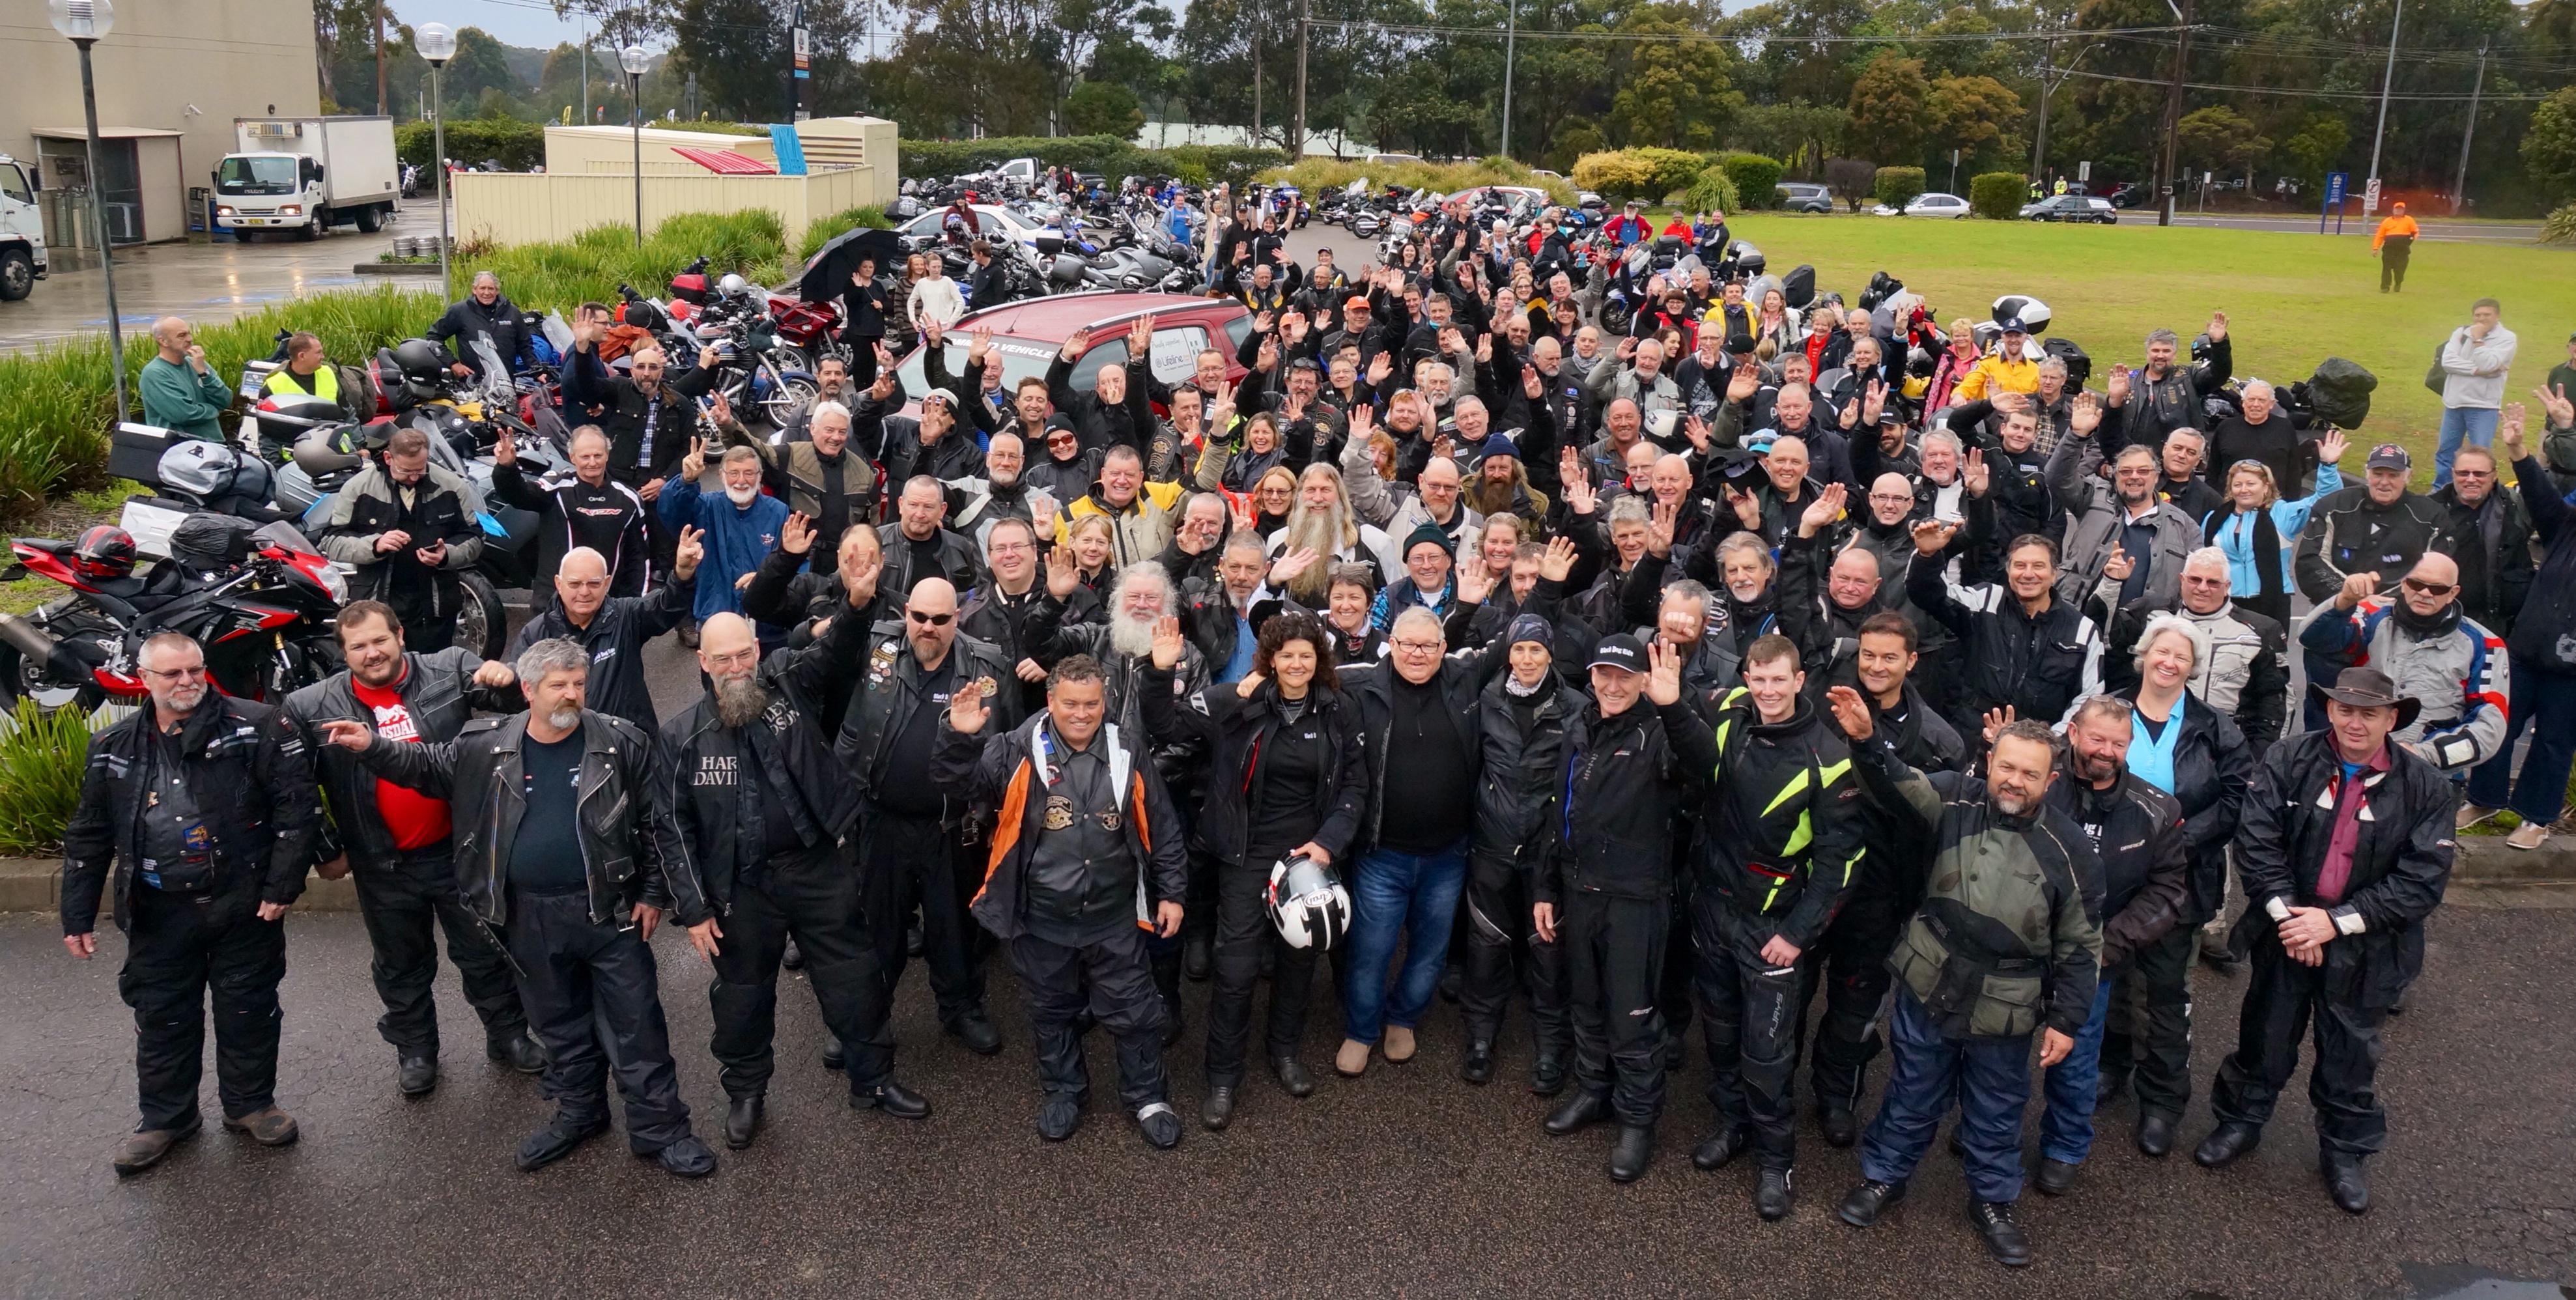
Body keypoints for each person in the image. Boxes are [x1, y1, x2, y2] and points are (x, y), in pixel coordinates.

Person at [319, 638, 720, 1179]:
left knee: (636, 1024)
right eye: (559, 684)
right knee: (559, 1023)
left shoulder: (622, 742)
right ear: (528, 690)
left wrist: (652, 894)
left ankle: (661, 1130)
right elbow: (421, 766)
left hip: (609, 912)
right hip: (525, 914)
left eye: (579, 683)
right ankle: (580, 1113)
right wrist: (370, 744)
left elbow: (656, 824)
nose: (572, 694)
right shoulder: (482, 747)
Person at [1829, 707, 2101, 1268]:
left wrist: (2067, 1020)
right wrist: (1866, 741)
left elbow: (2081, 944)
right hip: (1930, 976)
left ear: (2051, 780)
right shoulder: (1952, 797)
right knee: (1910, 1089)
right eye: (2006, 767)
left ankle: (1993, 1201)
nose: (2013, 781)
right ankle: (1884, 1177)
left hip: (2007, 1001)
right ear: (1989, 761)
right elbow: (1895, 782)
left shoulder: (2071, 848)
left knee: (1997, 1107)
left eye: (2029, 774)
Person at [664, 606, 929, 1150]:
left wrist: (857, 604)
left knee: (855, 977)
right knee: (742, 999)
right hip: (739, 888)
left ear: (757, 651)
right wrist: (694, 909)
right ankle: (746, 1094)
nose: (735, 667)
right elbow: (671, 827)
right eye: (722, 659)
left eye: (743, 654)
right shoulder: (682, 738)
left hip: (815, 867)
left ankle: (872, 1080)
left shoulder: (792, 691)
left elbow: (837, 653)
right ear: (703, 662)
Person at [2194, 667, 2457, 1216]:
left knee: (2349, 1054)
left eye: (2368, 713)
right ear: (2329, 710)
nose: (2354, 722)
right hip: (2284, 929)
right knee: (2263, 1036)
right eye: (2344, 710)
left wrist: (2334, 924)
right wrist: (2293, 918)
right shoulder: (2288, 759)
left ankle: (2343, 1152)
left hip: (2368, 947)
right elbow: (2256, 838)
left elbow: (2420, 881)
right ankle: (2240, 1123)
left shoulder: (2426, 786)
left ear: (2391, 718)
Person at [61, 632, 317, 1176]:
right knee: (161, 1018)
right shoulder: (112, 747)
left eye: (195, 671)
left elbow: (297, 811)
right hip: (157, 910)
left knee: (249, 1008)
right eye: (173, 674)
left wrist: (281, 888)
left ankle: (251, 1105)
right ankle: (166, 1118)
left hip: (243, 904)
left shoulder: (259, 726)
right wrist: (76, 912)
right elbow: (89, 833)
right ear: (144, 679)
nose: (187, 682)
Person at [286, 602, 545, 1097]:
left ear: (400, 634)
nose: (371, 653)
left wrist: (506, 679)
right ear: (343, 654)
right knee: (401, 965)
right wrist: (325, 849)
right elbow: (292, 790)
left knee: (485, 953)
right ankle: (417, 1051)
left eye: (379, 640)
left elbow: (518, 708)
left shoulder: (448, 668)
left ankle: (508, 1035)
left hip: (458, 852)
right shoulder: (310, 707)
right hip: (381, 862)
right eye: (357, 646)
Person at [936, 649, 1191, 1148]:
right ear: (1051, 700)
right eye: (1071, 703)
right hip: (1041, 916)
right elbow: (955, 786)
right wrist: (958, 737)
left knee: (1136, 1011)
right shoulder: (1014, 749)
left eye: (1091, 704)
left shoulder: (1127, 749)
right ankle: (1063, 1090)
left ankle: (1146, 1096)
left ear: (1105, 702)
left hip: (1114, 915)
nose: (1081, 714)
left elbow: (1163, 825)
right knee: (1051, 1010)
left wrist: (1174, 893)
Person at [1146, 612, 1368, 1127]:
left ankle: (1285, 1052)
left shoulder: (1339, 711)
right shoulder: (1234, 705)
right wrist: (1159, 672)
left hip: (1306, 856)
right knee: (1236, 967)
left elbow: (1356, 786)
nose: (1296, 664)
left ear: (1319, 662)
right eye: (1286, 655)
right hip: (1244, 856)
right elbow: (1165, 725)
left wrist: (1326, 843)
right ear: (1269, 661)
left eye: (1305, 655)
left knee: (1298, 961)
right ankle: (1222, 1077)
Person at [1687, 634, 1863, 1221]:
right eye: (1756, 680)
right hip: (1713, 909)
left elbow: (1842, 864)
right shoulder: (1729, 714)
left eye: (1777, 681)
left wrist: (1797, 935)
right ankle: (1732, 1125)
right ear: (1747, 679)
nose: (1766, 691)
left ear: (1797, 681)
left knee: (1766, 1052)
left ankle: (1774, 1160)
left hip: (1773, 928)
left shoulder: (1829, 757)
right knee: (1718, 1033)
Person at [1535, 638, 1722, 1184]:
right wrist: (1546, 887)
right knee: (1585, 1003)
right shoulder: (1580, 725)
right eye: (1602, 674)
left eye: (1624, 676)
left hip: (1636, 897)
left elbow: (1705, 768)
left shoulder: (1659, 733)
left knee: (1632, 1014)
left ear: (1644, 680)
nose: (1612, 686)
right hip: (1578, 889)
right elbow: (1560, 812)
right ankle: (1595, 1091)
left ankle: (1638, 1120)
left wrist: (1672, 706)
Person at [833, 576, 1023, 1058]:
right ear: (907, 614)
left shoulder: (987, 664)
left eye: (940, 619)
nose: (928, 628)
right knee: (878, 929)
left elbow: (1008, 745)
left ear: (956, 619)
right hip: (881, 821)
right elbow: (820, 667)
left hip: (954, 828)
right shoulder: (873, 647)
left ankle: (960, 1007)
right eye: (919, 617)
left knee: (955, 927)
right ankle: (866, 1017)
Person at [1802, 613, 1964, 1147]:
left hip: (1879, 894)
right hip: (1813, 883)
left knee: (1855, 1007)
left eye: (1889, 657)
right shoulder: (1820, 713)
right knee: (1792, 994)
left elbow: (1933, 819)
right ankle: (1776, 1087)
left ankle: (1835, 1096)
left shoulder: (1940, 740)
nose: (1875, 666)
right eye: (1868, 655)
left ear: (1911, 661)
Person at [2034, 696, 2188, 1193]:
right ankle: (1983, 1132)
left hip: (2092, 958)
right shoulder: (2040, 785)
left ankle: (2063, 1147)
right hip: (2019, 947)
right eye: (2097, 738)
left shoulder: (2156, 809)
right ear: (2073, 733)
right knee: (2002, 1054)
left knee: (2075, 1061)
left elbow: (2168, 890)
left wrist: (2106, 946)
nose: (2105, 751)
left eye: (2118, 743)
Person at [1459, 612, 1573, 1094]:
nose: (1526, 659)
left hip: (1547, 853)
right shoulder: (1486, 699)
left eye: (1536, 650)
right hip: (1492, 843)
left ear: (1550, 654)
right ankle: (1480, 1039)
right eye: (1519, 649)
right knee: (1485, 949)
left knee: (1546, 952)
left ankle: (1550, 1048)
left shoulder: (1574, 707)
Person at [2298, 552, 2509, 772]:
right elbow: (2312, 639)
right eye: (2416, 584)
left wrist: (2422, 755)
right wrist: (2344, 601)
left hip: (2428, 774)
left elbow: (2490, 729)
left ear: (2453, 593)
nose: (2425, 593)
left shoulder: (2485, 645)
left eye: (2437, 589)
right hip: (2353, 764)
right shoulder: (2372, 617)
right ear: (2404, 583)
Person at [2472, 408, 2576, 849]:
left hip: (2570, 669)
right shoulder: (2565, 528)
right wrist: (2516, 448)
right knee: (2498, 724)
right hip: (2526, 650)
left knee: (2553, 743)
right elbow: (2538, 494)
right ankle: (2483, 799)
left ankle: (2536, 817)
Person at [508, 533, 701, 733]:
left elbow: (666, 607)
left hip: (626, 745)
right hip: (562, 745)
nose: (584, 592)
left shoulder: (626, 616)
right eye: (575, 584)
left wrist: (683, 574)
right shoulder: (535, 634)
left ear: (607, 583)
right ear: (559, 583)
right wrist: (500, 681)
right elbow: (517, 696)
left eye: (594, 584)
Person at [318, 428, 483, 655]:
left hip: (436, 603)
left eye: (420, 470)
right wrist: (375, 545)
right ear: (388, 458)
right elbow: (331, 541)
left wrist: (447, 555)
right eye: (406, 470)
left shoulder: (452, 485)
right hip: (378, 602)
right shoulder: (358, 488)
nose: (414, 477)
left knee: (434, 673)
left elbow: (474, 538)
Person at [491, 424, 652, 606]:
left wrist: (635, 607)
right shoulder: (556, 487)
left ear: (607, 455)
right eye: (585, 457)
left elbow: (639, 558)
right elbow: (519, 495)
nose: (592, 462)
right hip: (554, 605)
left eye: (598, 455)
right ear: (572, 457)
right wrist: (506, 468)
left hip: (608, 606)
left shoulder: (628, 498)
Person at [2206, 431, 2348, 628]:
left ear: (2266, 487)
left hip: (2272, 602)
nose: (2244, 489)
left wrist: (2329, 466)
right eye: (2237, 484)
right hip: (2225, 602)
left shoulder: (2283, 514)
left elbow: (2326, 499)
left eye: (2250, 483)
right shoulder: (2214, 519)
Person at [2293, 442, 2451, 606]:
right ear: (2367, 474)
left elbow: (2436, 573)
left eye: (2393, 475)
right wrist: (2351, 595)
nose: (2384, 482)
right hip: (2337, 606)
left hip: (2401, 613)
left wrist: (2382, 604)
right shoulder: (2333, 506)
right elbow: (2310, 562)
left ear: (2408, 477)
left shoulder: (2432, 516)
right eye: (2378, 474)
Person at [658, 439, 789, 625]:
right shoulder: (705, 506)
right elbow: (670, 511)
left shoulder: (779, 511)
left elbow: (791, 562)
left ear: (760, 476)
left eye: (749, 473)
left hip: (768, 621)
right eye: (734, 473)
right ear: (721, 476)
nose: (741, 481)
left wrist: (766, 583)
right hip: (716, 616)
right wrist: (686, 482)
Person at [729, 398, 877, 559]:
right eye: (829, 430)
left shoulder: (864, 474)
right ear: (813, 429)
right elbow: (752, 454)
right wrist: (728, 424)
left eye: (842, 432)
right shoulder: (788, 457)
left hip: (842, 563)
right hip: (794, 560)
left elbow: (872, 526)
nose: (836, 437)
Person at [2433, 298, 2518, 489]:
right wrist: (2477, 371)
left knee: (2481, 456)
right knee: (2446, 452)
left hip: (2484, 406)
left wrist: (2478, 341)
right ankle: (2441, 490)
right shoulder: (2461, 333)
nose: (2481, 319)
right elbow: (2447, 362)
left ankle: (2481, 493)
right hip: (2454, 403)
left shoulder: (2507, 338)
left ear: (2497, 316)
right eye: (2478, 315)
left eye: (2487, 315)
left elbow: (2489, 363)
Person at [428, 271, 538, 380]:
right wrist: (453, 364)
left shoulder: (512, 312)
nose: (486, 293)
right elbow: (434, 337)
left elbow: (524, 345)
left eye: (491, 288)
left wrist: (537, 370)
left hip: (506, 382)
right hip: (472, 382)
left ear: (497, 291)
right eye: (482, 288)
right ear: (474, 289)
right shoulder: (459, 311)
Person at [139, 317, 235, 441]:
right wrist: (214, 410)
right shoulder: (155, 373)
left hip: (215, 447)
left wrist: (204, 374)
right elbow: (183, 414)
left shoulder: (197, 364)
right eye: (182, 336)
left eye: (189, 333)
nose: (190, 339)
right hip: (179, 451)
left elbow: (225, 400)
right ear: (163, 341)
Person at [2372, 203, 2418, 293]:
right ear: (2393, 210)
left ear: (2404, 211)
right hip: (2389, 249)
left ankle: (2398, 282)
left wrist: (2411, 239)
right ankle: (2385, 287)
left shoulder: (2409, 220)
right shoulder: (2387, 221)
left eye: (2400, 209)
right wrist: (2375, 248)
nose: (2398, 211)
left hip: (2403, 250)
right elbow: (2380, 235)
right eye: (2397, 209)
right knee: (2387, 268)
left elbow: (2415, 232)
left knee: (2399, 270)